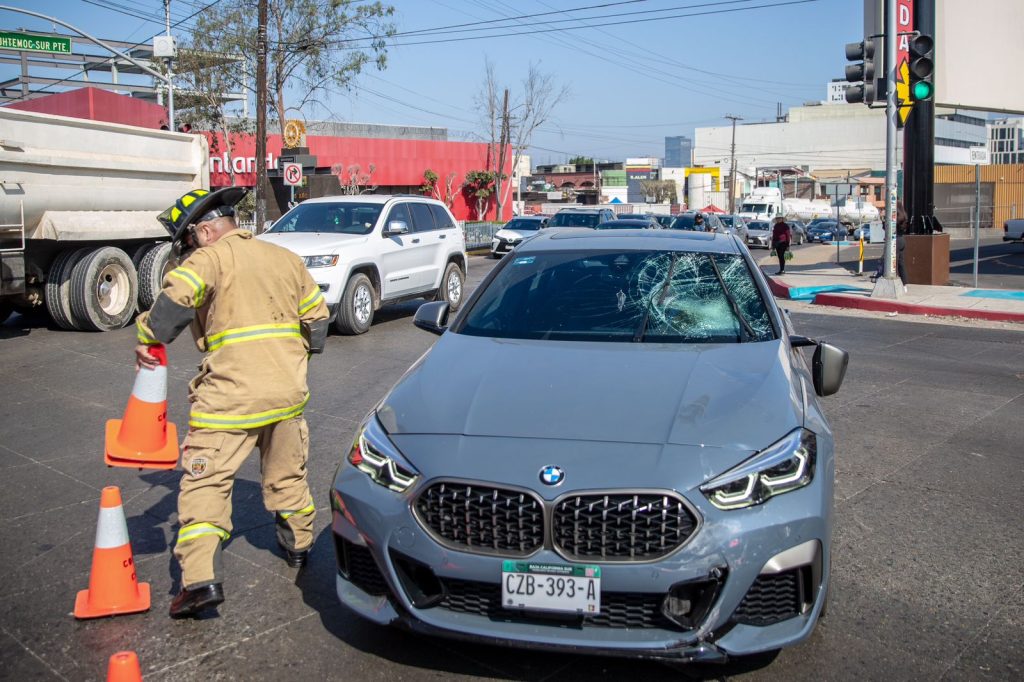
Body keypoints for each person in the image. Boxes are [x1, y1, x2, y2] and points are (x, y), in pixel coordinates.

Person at [134, 187, 329, 618]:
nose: (189, 249)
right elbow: (317, 322)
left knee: (205, 486)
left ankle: (200, 582)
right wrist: (288, 361)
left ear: (205, 232)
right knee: (288, 475)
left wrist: (146, 334)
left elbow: (171, 308)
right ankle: (298, 547)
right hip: (286, 396)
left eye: (188, 241)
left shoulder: (209, 259)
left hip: (229, 399)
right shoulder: (286, 258)